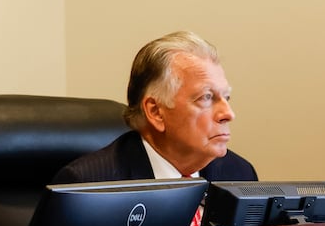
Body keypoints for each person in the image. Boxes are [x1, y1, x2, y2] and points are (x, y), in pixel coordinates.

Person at [53, 30, 257, 185]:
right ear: (155, 112)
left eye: (226, 97)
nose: (228, 114)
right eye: (206, 97)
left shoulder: (239, 175)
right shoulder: (88, 185)